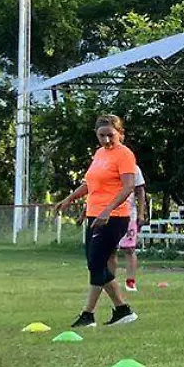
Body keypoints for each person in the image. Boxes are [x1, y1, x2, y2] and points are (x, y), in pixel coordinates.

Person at [51, 114, 140, 328]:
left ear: (120, 133)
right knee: (95, 263)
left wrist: (108, 210)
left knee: (96, 263)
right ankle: (122, 310)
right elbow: (90, 184)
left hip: (114, 217)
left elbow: (128, 187)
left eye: (111, 135)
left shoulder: (125, 155)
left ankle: (89, 314)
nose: (107, 140)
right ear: (96, 135)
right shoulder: (100, 154)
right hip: (95, 215)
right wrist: (68, 199)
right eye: (102, 136)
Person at [117, 164, 147, 293]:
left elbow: (140, 191)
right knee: (108, 250)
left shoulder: (132, 167)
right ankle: (107, 281)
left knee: (129, 248)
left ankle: (130, 281)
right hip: (109, 213)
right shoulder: (106, 164)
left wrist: (141, 213)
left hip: (129, 214)